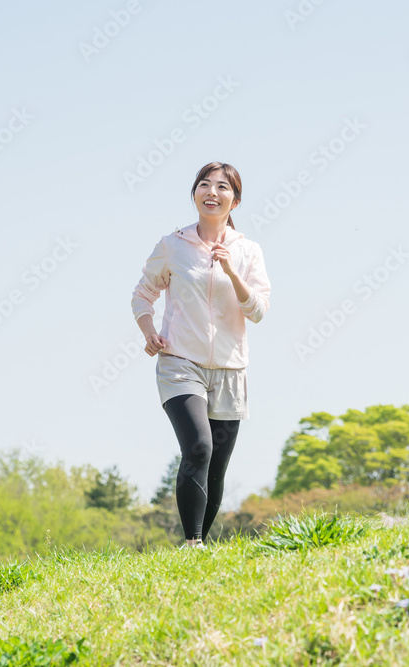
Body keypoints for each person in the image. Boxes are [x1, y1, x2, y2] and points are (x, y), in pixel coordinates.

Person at [131, 162, 271, 549]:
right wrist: (149, 332)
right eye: (204, 184)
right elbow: (142, 294)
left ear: (235, 200)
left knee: (216, 467)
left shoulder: (248, 251)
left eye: (222, 187)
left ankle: (198, 550)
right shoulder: (172, 245)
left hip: (230, 368)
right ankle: (192, 542)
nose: (212, 192)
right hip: (180, 362)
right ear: (194, 194)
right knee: (198, 447)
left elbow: (258, 310)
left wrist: (231, 271)